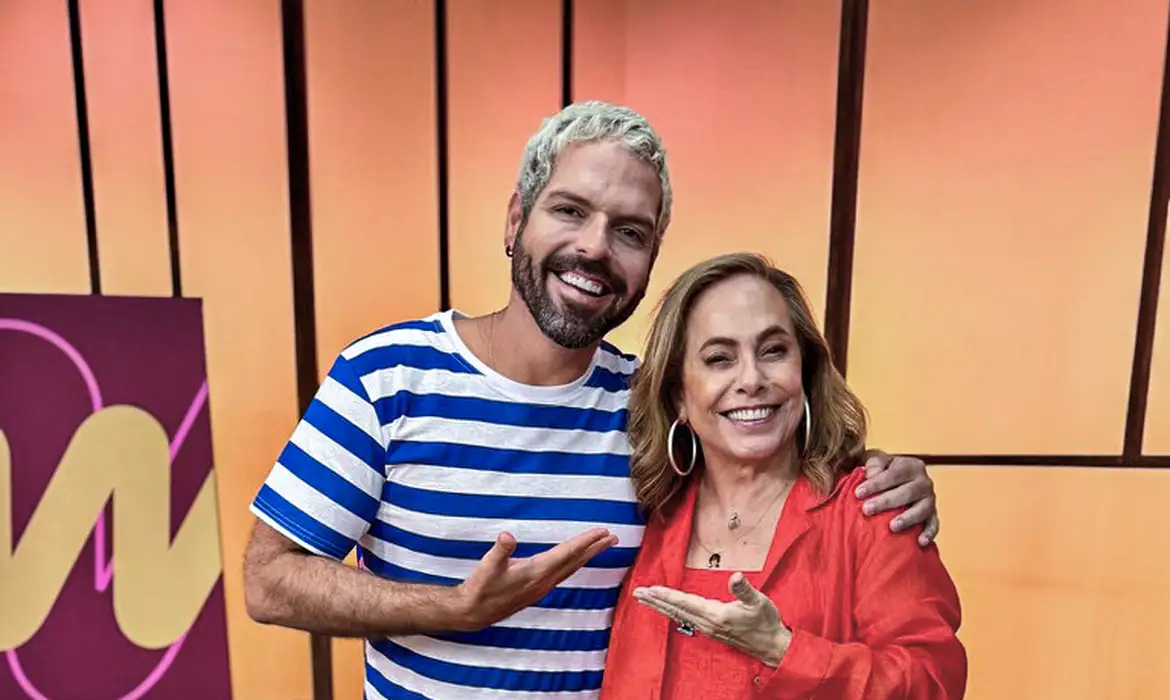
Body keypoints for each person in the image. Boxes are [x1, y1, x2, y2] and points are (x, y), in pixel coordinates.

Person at [241, 101, 942, 700]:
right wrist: (450, 607)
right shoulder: (388, 376)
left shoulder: (648, 404)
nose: (595, 247)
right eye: (570, 211)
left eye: (630, 231)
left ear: (650, 259)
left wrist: (879, 476)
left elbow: (761, 462)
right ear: (516, 220)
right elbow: (268, 581)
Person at [598, 252, 966, 699]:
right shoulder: (643, 514)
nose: (751, 379)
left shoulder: (873, 510)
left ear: (804, 372)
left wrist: (784, 650)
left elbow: (933, 683)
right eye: (719, 358)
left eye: (773, 351)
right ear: (678, 395)